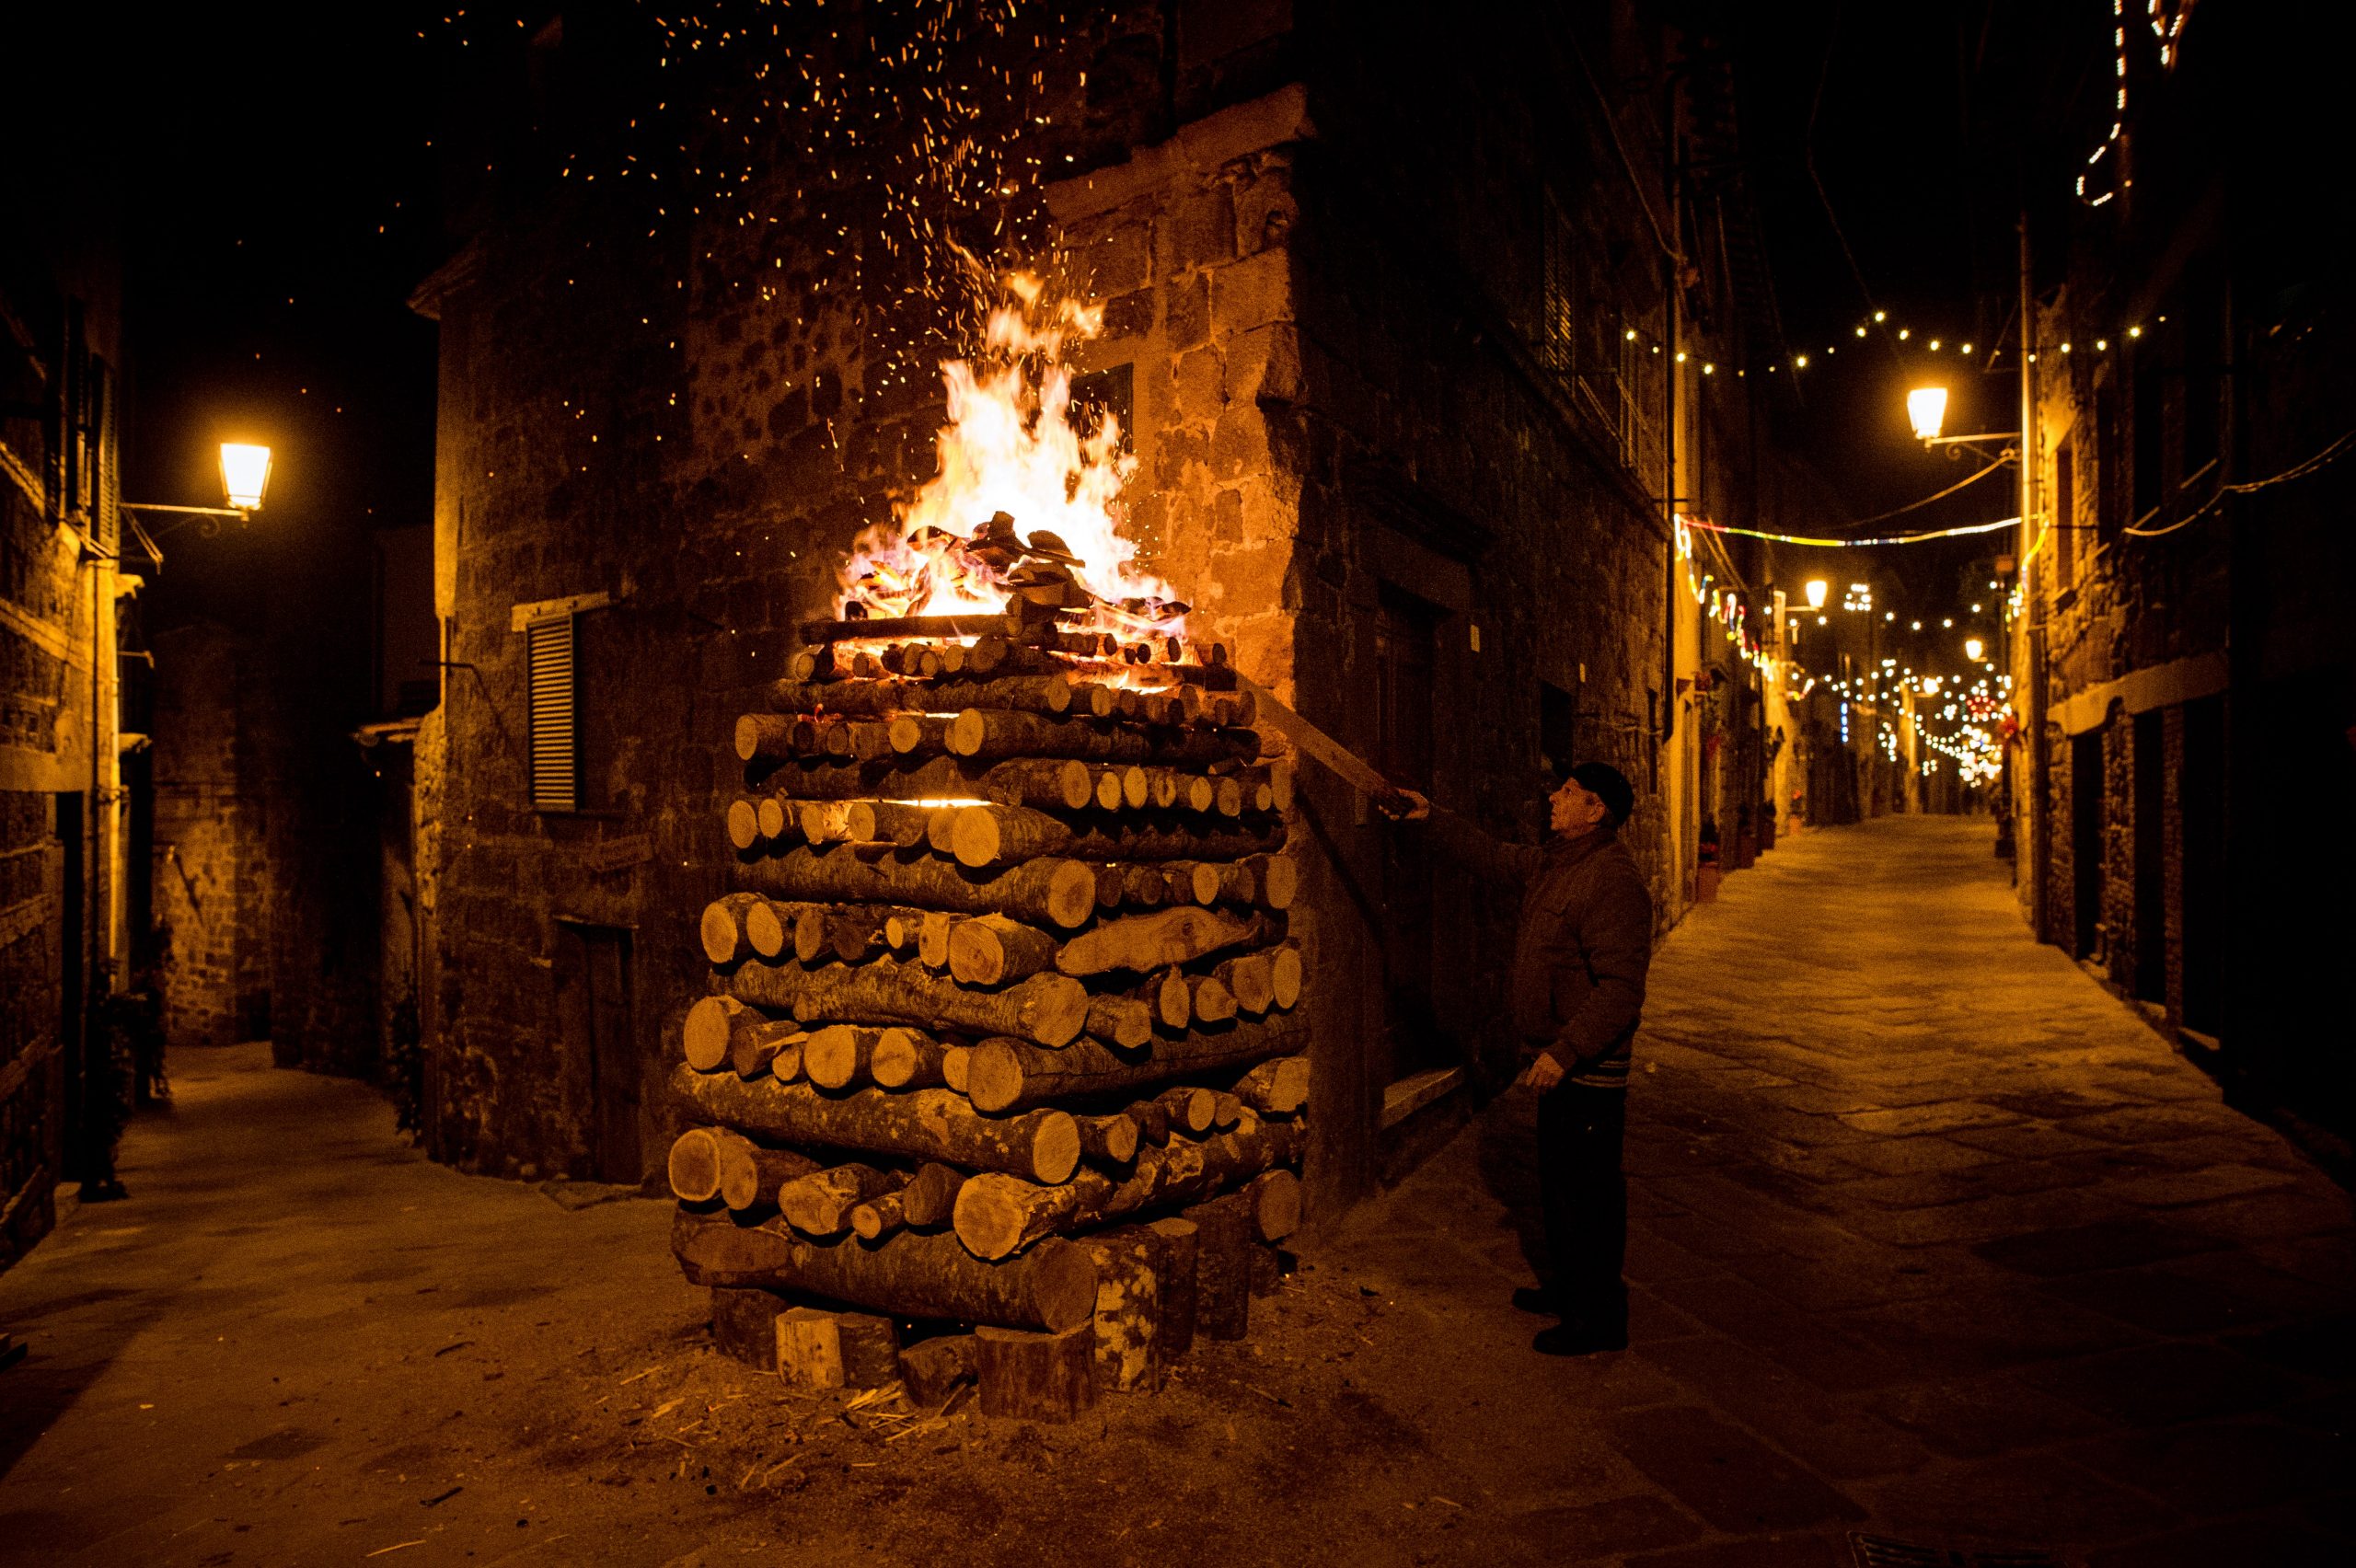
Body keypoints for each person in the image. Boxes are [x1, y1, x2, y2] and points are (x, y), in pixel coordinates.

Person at [1381, 760, 1653, 1356]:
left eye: (1570, 793)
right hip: (1559, 1060)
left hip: (1588, 1069)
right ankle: (1570, 1289)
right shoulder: (1558, 863)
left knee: (1588, 1193)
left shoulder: (1611, 881)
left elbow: (1620, 990)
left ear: (1596, 810)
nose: (1554, 798)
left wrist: (1567, 1050)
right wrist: (1431, 818)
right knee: (1558, 1184)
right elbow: (1492, 857)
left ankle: (1598, 1318)